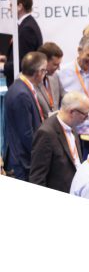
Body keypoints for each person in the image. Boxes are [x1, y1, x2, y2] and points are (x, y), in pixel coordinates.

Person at [29, 92, 89, 193]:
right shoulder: (46, 134)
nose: (87, 118)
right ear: (72, 112)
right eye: (85, 115)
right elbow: (37, 178)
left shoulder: (73, 125)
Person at [4, 51, 47, 181]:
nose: (45, 74)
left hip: (23, 158)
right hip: (23, 162)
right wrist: (41, 155)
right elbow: (26, 133)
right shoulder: (21, 94)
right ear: (39, 72)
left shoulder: (19, 87)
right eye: (44, 71)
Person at [1, 0, 43, 87]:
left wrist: (3, 66)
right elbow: (22, 54)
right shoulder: (26, 25)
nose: (9, 8)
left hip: (22, 84)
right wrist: (6, 59)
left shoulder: (27, 29)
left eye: (11, 5)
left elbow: (24, 63)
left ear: (20, 6)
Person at [36, 42, 65, 118]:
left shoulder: (55, 76)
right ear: (44, 62)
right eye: (55, 65)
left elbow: (64, 97)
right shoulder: (30, 80)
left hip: (55, 122)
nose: (58, 68)